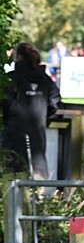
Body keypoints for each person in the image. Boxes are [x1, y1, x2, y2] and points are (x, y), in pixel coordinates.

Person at [2, 43, 61, 180]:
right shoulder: (44, 78)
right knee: (38, 168)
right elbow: (55, 99)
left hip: (13, 131)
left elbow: (5, 100)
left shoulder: (12, 77)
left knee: (13, 171)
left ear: (19, 57)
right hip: (37, 131)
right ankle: (39, 191)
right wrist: (45, 113)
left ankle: (16, 193)